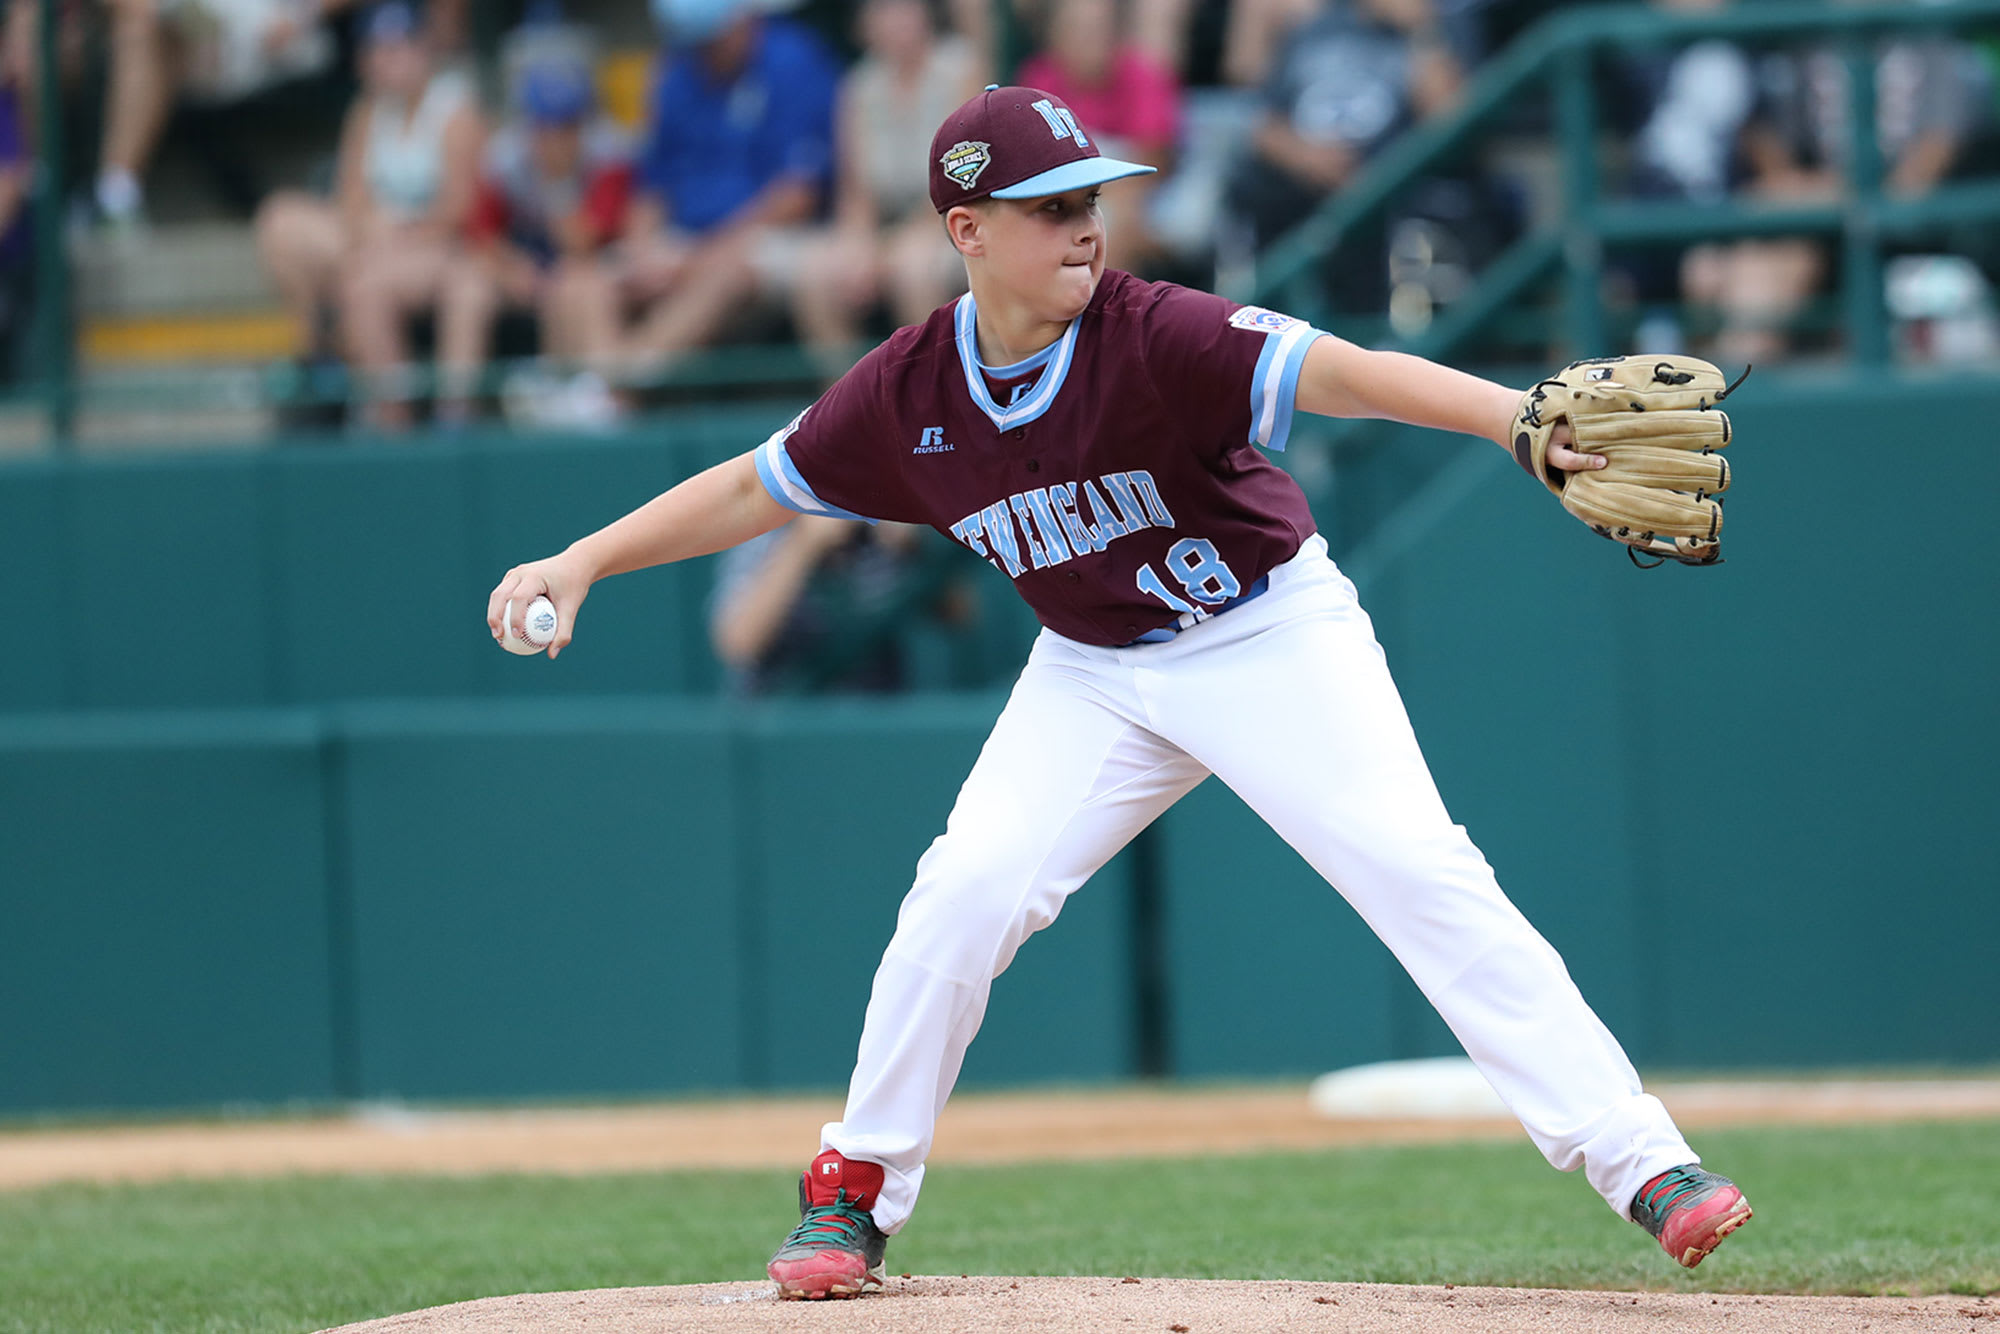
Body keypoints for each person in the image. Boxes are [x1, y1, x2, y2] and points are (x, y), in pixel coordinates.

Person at [485, 85, 1753, 1301]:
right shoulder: (909, 390)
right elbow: (756, 487)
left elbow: (1344, 370)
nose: (1083, 220)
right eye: (1046, 206)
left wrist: (1508, 419)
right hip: (1092, 669)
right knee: (964, 888)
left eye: (1088, 193)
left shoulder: (1159, 331)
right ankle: (855, 1187)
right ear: (964, 232)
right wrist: (584, 555)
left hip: (1263, 632)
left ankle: (1642, 1161)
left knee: (1415, 866)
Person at [252, 1, 482, 430]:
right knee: (280, 223)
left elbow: (459, 208)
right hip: (376, 242)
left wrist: (398, 237)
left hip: (433, 248)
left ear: (422, 50)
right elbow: (351, 198)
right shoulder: (368, 111)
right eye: (378, 50)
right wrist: (371, 232)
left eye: (398, 48)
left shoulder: (453, 108)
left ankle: (393, 414)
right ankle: (320, 350)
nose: (387, 60)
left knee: (364, 283)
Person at [788, 0, 979, 380]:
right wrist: (858, 243)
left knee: (912, 268)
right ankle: (847, 405)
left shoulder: (962, 70)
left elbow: (966, 176)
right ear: (864, 27)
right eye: (883, 10)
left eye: (904, 8)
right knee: (816, 274)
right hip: (888, 227)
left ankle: (943, 396)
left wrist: (892, 244)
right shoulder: (858, 87)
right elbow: (856, 190)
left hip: (956, 215)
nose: (895, 19)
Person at [436, 58, 632, 426]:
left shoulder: (607, 154)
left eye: (566, 126)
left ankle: (599, 401)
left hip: (594, 268)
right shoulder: (504, 157)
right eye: (545, 127)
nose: (555, 138)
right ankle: (454, 412)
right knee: (466, 286)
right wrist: (509, 268)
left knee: (578, 281)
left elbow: (583, 240)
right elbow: (478, 233)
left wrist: (556, 182)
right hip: (523, 268)